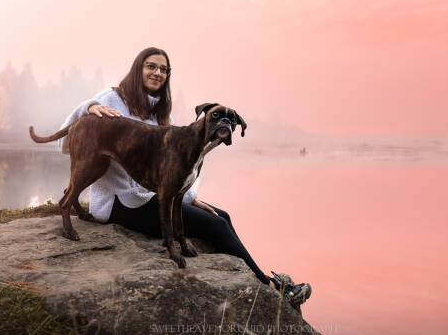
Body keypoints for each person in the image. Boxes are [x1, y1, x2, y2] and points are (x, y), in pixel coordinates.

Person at [59, 47, 311, 308]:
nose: (157, 73)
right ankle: (272, 289)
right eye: (151, 66)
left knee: (222, 216)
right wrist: (90, 106)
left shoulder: (161, 114)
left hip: (153, 194)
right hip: (121, 202)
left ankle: (258, 278)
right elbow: (71, 133)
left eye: (163, 69)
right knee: (217, 227)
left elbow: (182, 169)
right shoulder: (112, 98)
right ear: (138, 69)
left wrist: (191, 198)